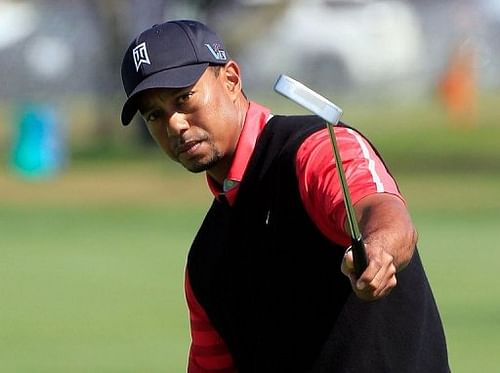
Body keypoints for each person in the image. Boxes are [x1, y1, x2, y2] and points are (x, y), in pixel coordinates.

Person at [120, 20, 450, 373]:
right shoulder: (206, 261)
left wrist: (380, 250)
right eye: (155, 114)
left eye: (184, 98)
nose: (174, 124)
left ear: (231, 80)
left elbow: (381, 209)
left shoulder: (315, 150)